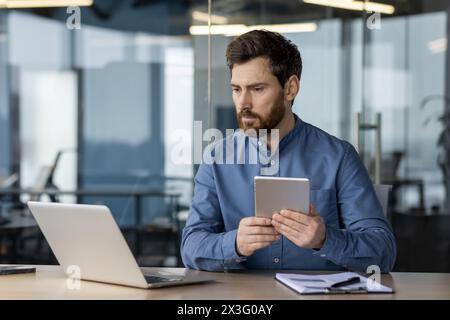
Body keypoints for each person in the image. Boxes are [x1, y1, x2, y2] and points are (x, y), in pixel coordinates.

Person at [181, 29, 396, 273]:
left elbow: (383, 251)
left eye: (257, 89)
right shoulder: (216, 158)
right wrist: (234, 244)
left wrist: (325, 239)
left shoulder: (339, 157)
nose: (243, 103)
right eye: (237, 89)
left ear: (290, 88)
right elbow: (191, 246)